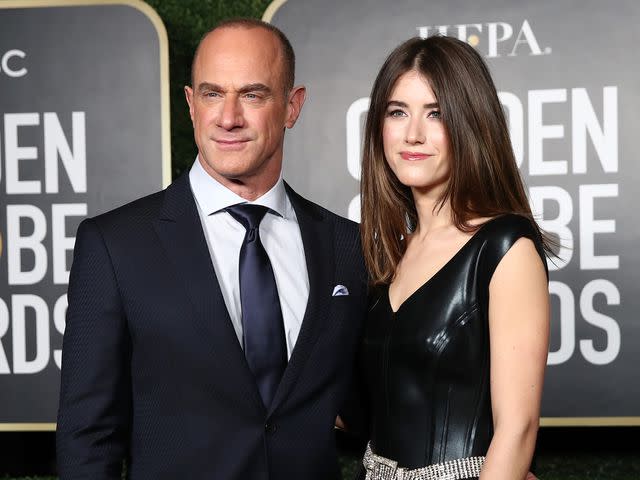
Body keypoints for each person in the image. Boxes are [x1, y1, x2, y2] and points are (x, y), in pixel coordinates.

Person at [56, 19, 368, 480]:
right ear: (190, 104)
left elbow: (381, 405)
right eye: (212, 93)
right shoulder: (115, 245)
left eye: (253, 94)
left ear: (292, 106)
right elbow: (87, 438)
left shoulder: (347, 245)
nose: (229, 117)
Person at [358, 36, 550, 480]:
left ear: (471, 122)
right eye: (397, 112)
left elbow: (517, 431)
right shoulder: (387, 254)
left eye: (436, 113)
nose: (413, 134)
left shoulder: (506, 247)